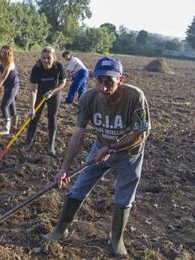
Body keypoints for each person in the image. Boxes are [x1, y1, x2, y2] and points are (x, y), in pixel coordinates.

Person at [43, 56, 151, 257]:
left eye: (109, 81)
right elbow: (78, 133)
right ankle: (60, 229)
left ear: (121, 79)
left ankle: (116, 239)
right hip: (100, 147)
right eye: (99, 80)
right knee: (79, 186)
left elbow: (140, 134)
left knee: (124, 195)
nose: (102, 87)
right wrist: (65, 167)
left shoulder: (136, 97)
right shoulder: (88, 98)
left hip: (129, 153)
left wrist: (111, 148)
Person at [24, 47, 67, 155]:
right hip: (40, 94)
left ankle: (50, 146)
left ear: (54, 58)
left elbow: (63, 82)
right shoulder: (36, 69)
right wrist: (31, 108)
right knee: (34, 117)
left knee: (52, 117)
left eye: (48, 58)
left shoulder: (59, 66)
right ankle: (28, 143)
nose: (45, 60)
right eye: (43, 58)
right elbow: (33, 90)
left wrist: (52, 92)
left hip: (54, 94)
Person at [0, 45, 20, 135]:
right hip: (8, 86)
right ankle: (14, 125)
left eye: (4, 52)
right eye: (1, 51)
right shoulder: (2, 62)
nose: (2, 53)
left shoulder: (9, 64)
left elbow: (2, 78)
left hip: (13, 86)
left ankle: (6, 128)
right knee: (11, 105)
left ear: (9, 54)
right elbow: (2, 79)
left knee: (3, 106)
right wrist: (0, 87)